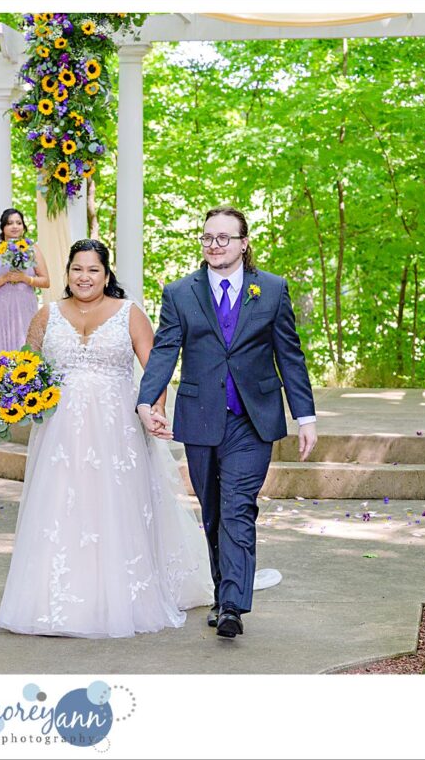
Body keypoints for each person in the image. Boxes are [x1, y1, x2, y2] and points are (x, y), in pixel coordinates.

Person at [0, 239, 212, 638]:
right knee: (62, 506)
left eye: (93, 269)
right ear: (67, 274)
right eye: (77, 269)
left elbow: (156, 370)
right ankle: (56, 598)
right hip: (60, 433)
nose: (84, 277)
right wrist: (12, 394)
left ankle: (122, 594)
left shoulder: (129, 313)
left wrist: (156, 410)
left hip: (118, 432)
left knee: (115, 506)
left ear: (106, 274)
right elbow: (28, 367)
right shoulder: (46, 315)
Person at [137, 206, 317, 639]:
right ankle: (222, 593)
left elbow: (289, 355)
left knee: (238, 507)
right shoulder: (180, 292)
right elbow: (165, 351)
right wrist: (148, 402)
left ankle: (233, 605)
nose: (214, 246)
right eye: (207, 238)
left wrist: (305, 416)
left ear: (243, 243)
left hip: (253, 419)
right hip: (200, 418)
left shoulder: (271, 290)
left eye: (223, 238)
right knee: (214, 512)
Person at [0, 208, 50, 367]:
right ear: (3, 227)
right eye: (10, 223)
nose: (15, 226)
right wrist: (4, 278)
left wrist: (25, 278)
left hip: (24, 305)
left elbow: (45, 281)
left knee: (24, 343)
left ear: (24, 227)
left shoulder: (33, 249)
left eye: (19, 223)